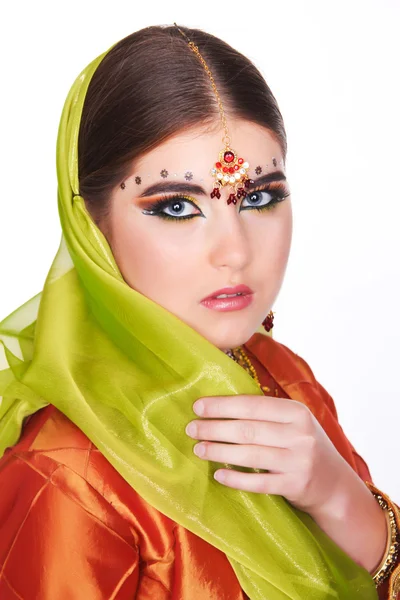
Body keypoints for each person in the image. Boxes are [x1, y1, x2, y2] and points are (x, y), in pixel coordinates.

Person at [0, 23, 398, 600]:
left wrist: (343, 501)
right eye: (178, 206)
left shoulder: (283, 377)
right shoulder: (68, 472)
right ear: (91, 225)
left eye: (259, 197)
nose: (235, 251)